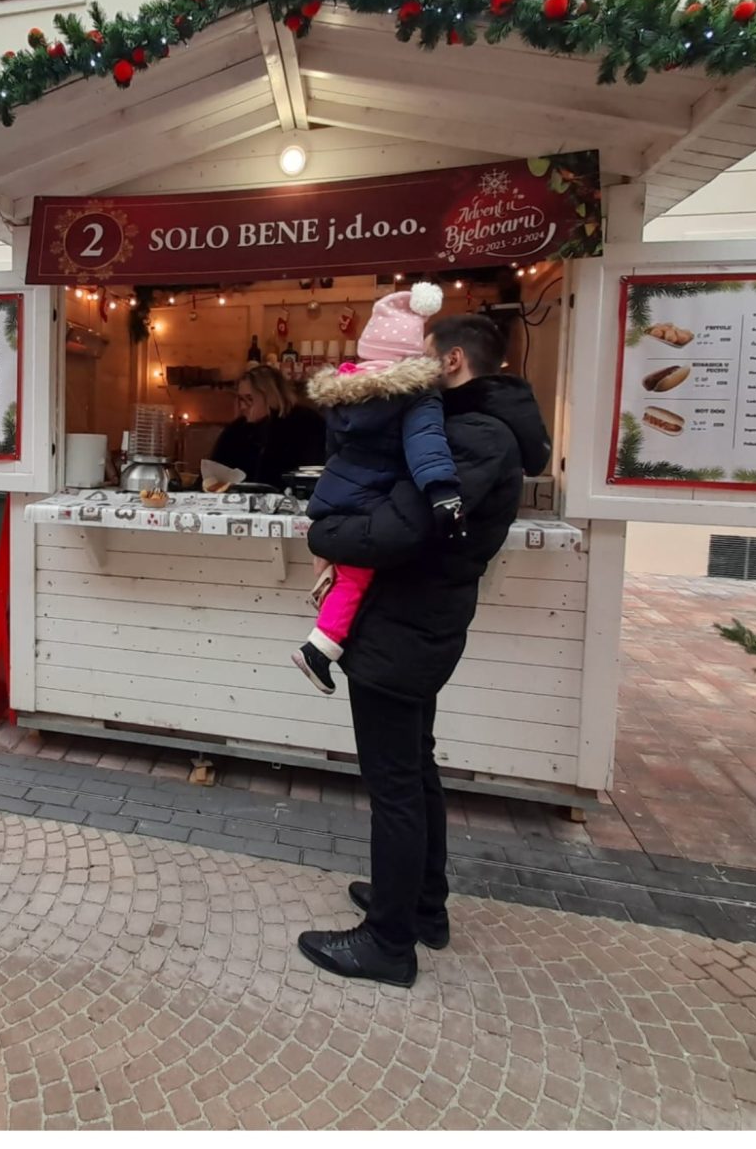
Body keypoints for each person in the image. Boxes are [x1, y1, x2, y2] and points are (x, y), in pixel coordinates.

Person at [295, 312, 550, 988]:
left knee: (395, 787)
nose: (408, 370)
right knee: (415, 768)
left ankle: (388, 943)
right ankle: (420, 907)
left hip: (405, 625)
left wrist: (323, 534)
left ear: (455, 361)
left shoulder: (474, 435)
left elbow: (396, 531)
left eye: (421, 358)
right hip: (413, 621)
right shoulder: (472, 425)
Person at [290, 282, 466, 695]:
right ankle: (320, 648)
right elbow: (426, 445)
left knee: (344, 568)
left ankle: (324, 636)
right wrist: (443, 492)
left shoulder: (343, 395)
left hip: (335, 496)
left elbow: (333, 451)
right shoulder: (416, 397)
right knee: (356, 576)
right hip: (373, 499)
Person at [210, 363, 327, 489]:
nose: (243, 407)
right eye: (240, 399)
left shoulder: (306, 425)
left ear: (270, 396)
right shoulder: (237, 430)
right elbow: (215, 472)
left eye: (249, 399)